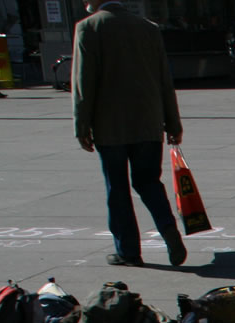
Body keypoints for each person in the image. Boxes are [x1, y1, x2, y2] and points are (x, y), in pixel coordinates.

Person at [72, 0, 187, 267]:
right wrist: (173, 123)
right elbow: (164, 80)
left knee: (117, 188)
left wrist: (82, 126)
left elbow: (83, 82)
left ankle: (128, 251)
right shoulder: (148, 28)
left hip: (109, 124)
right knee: (148, 181)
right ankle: (169, 231)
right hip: (148, 121)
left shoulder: (88, 28)